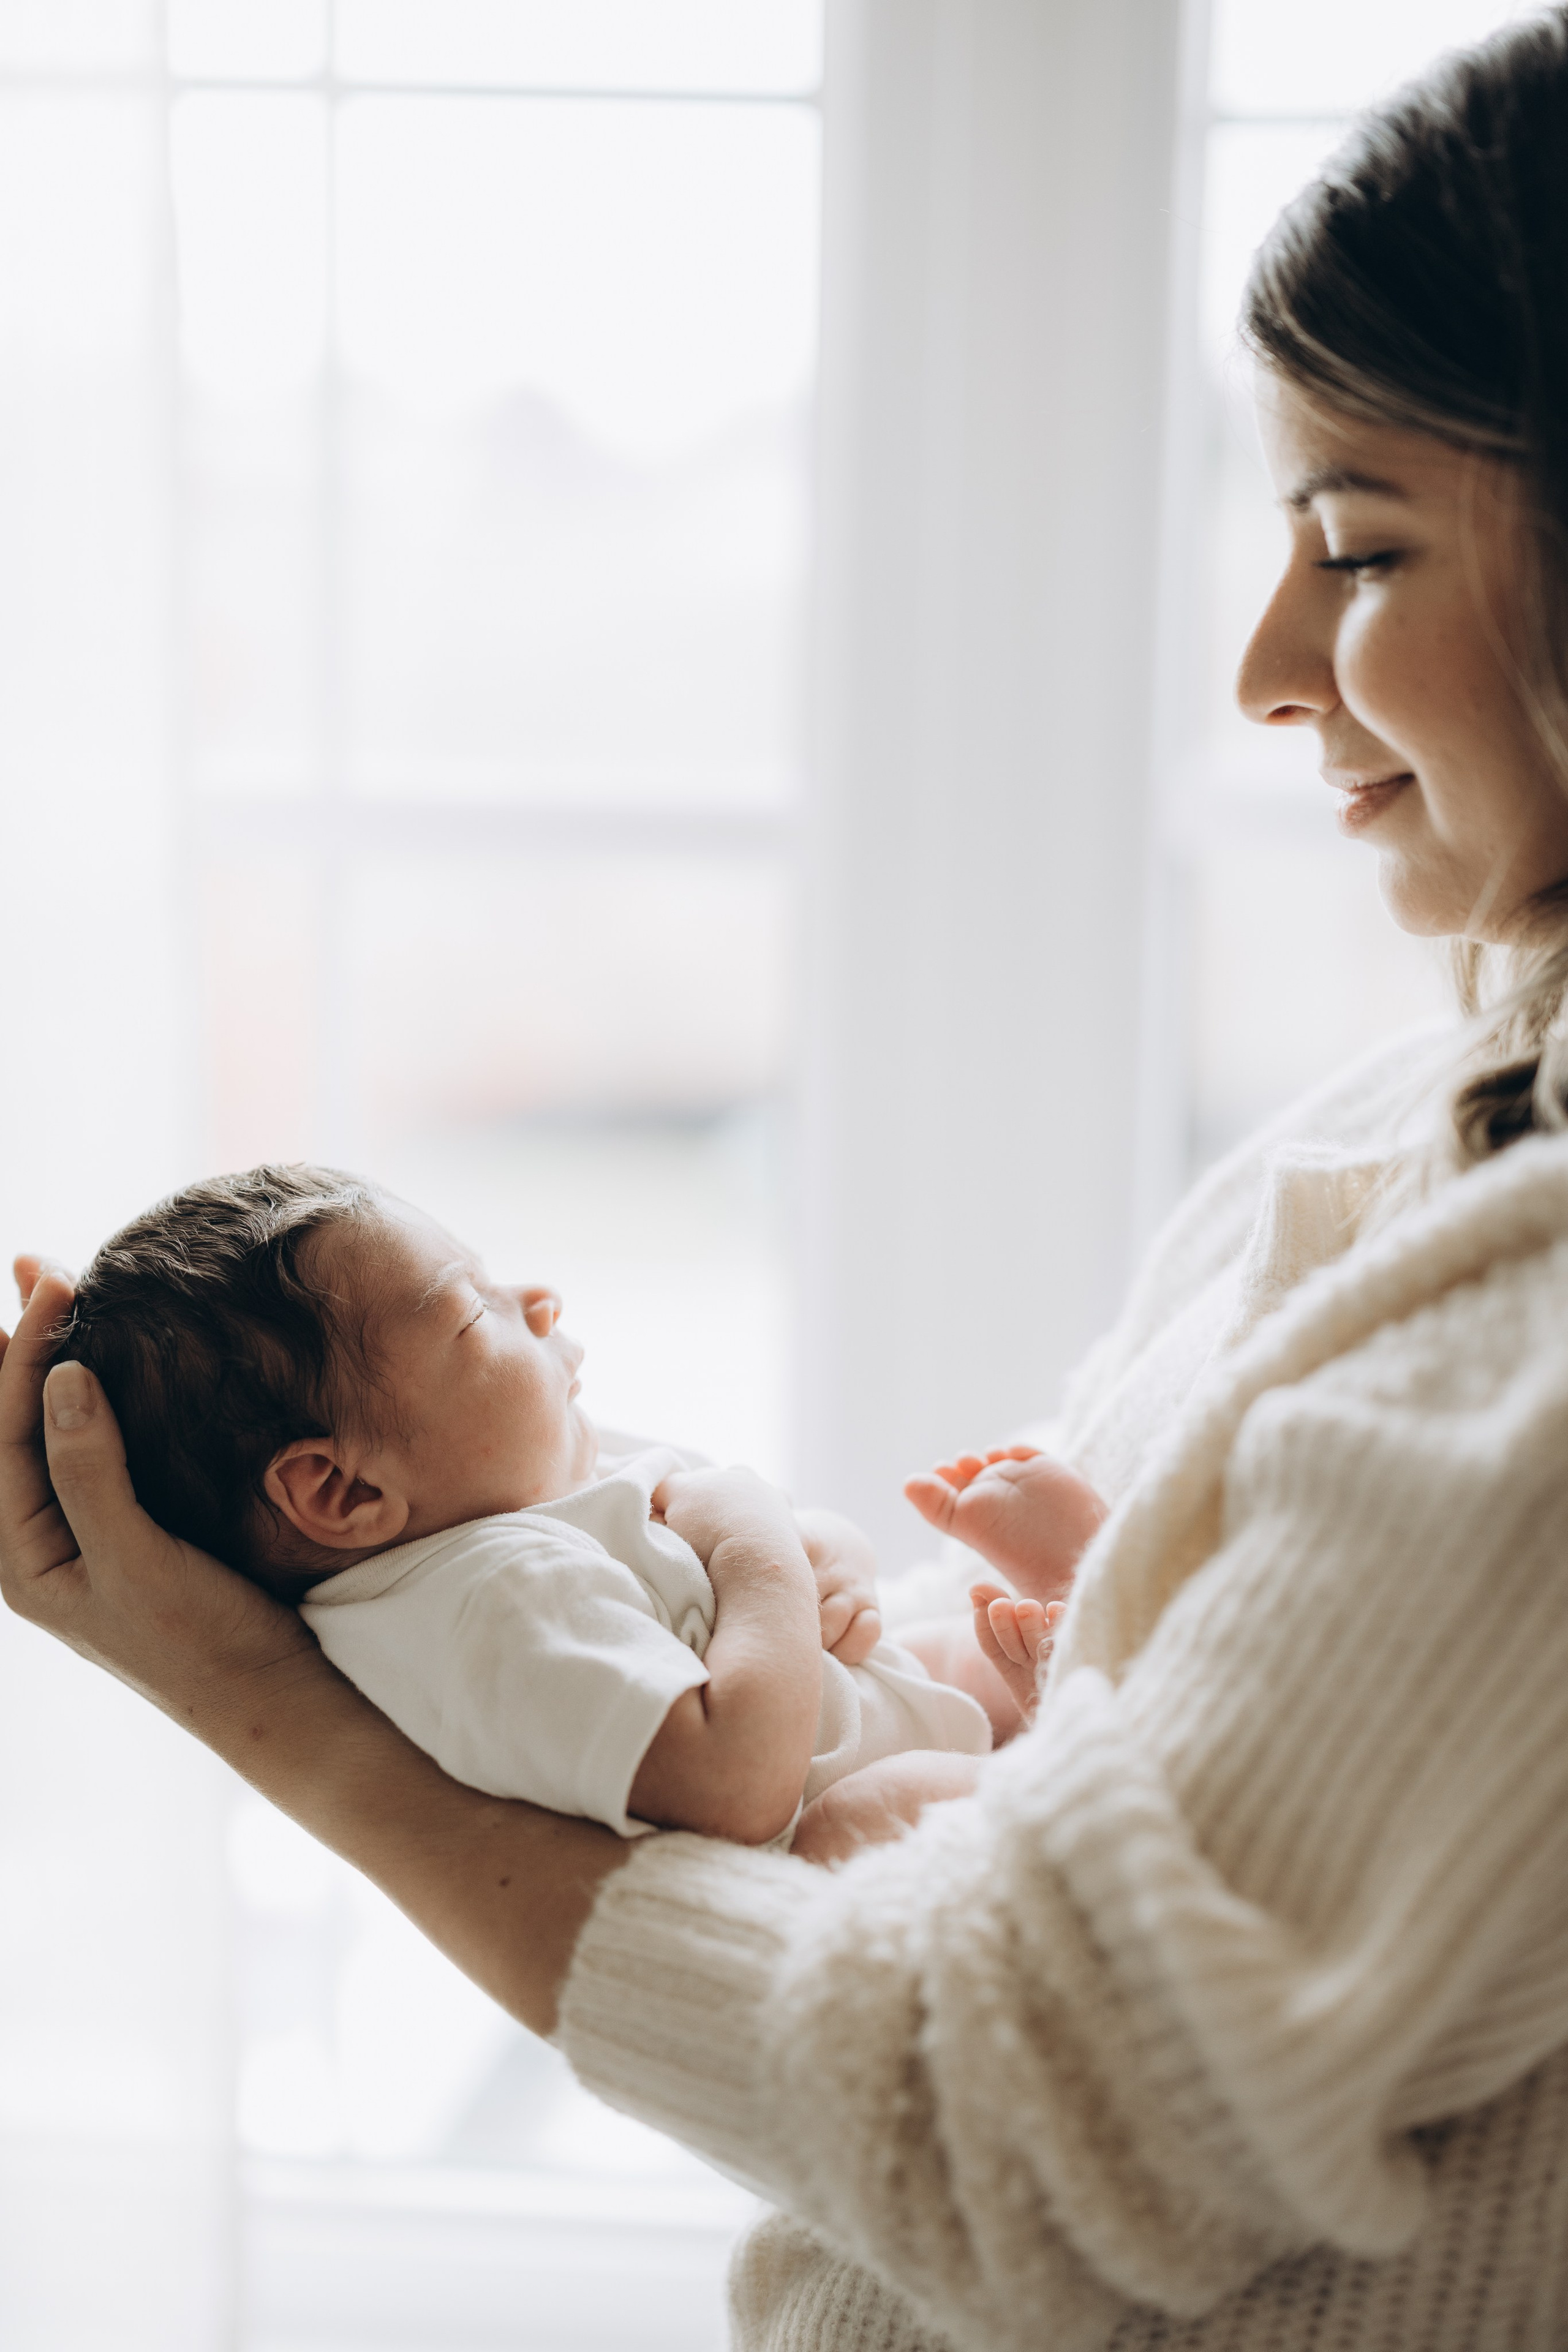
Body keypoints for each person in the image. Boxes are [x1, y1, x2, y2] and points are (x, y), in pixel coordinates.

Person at [7, 9, 1568, 2343]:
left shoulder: (1522, 1336)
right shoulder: (1405, 1112)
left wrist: (260, 1714)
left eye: (1355, 546)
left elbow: (1001, 2122)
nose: (1260, 666)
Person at [40, 1163, 1092, 1854]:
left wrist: (825, 1559)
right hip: (847, 1809)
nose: (537, 1299)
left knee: (952, 1642)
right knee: (873, 1819)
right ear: (344, 1491)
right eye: (469, 1311)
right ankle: (1090, 1718)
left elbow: (737, 1600)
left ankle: (1087, 1651)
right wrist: (757, 1540)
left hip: (888, 1711)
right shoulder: (487, 1601)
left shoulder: (500, 1526)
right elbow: (733, 1782)